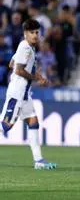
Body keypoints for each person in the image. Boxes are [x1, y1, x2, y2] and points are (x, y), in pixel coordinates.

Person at [0, 19, 57, 170]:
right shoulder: (25, 48)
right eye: (32, 32)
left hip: (25, 94)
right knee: (5, 125)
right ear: (25, 33)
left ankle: (38, 160)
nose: (35, 35)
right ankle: (38, 160)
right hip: (18, 93)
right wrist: (35, 79)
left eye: (37, 32)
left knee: (33, 122)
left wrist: (36, 75)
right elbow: (18, 70)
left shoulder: (26, 47)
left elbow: (11, 63)